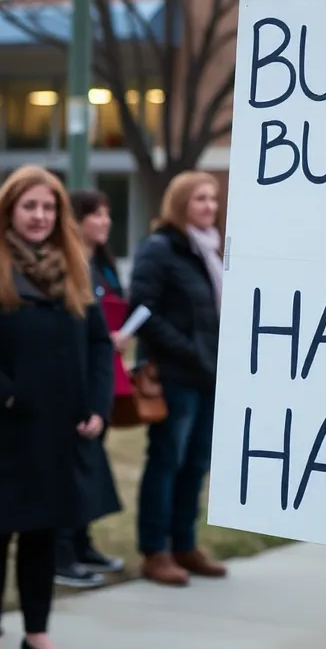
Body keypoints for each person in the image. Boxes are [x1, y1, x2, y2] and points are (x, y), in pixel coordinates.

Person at [0, 166, 114, 649]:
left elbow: (100, 342)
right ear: (9, 209)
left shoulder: (76, 265)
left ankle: (38, 636)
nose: (39, 216)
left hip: (57, 428)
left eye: (48, 207)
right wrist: (6, 393)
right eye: (29, 206)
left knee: (42, 535)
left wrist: (98, 405)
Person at [128, 170, 227, 587]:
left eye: (213, 199)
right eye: (200, 199)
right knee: (167, 460)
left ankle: (185, 543)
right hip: (175, 373)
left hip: (209, 374)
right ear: (180, 202)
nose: (209, 206)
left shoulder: (210, 250)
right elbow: (142, 309)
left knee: (196, 463)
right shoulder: (162, 248)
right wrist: (187, 349)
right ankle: (156, 551)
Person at [54, 189, 126, 589]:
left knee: (90, 466)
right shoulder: (68, 265)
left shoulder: (100, 263)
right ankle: (62, 552)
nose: (105, 222)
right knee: (71, 468)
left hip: (99, 377)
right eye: (97, 215)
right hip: (72, 382)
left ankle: (82, 544)